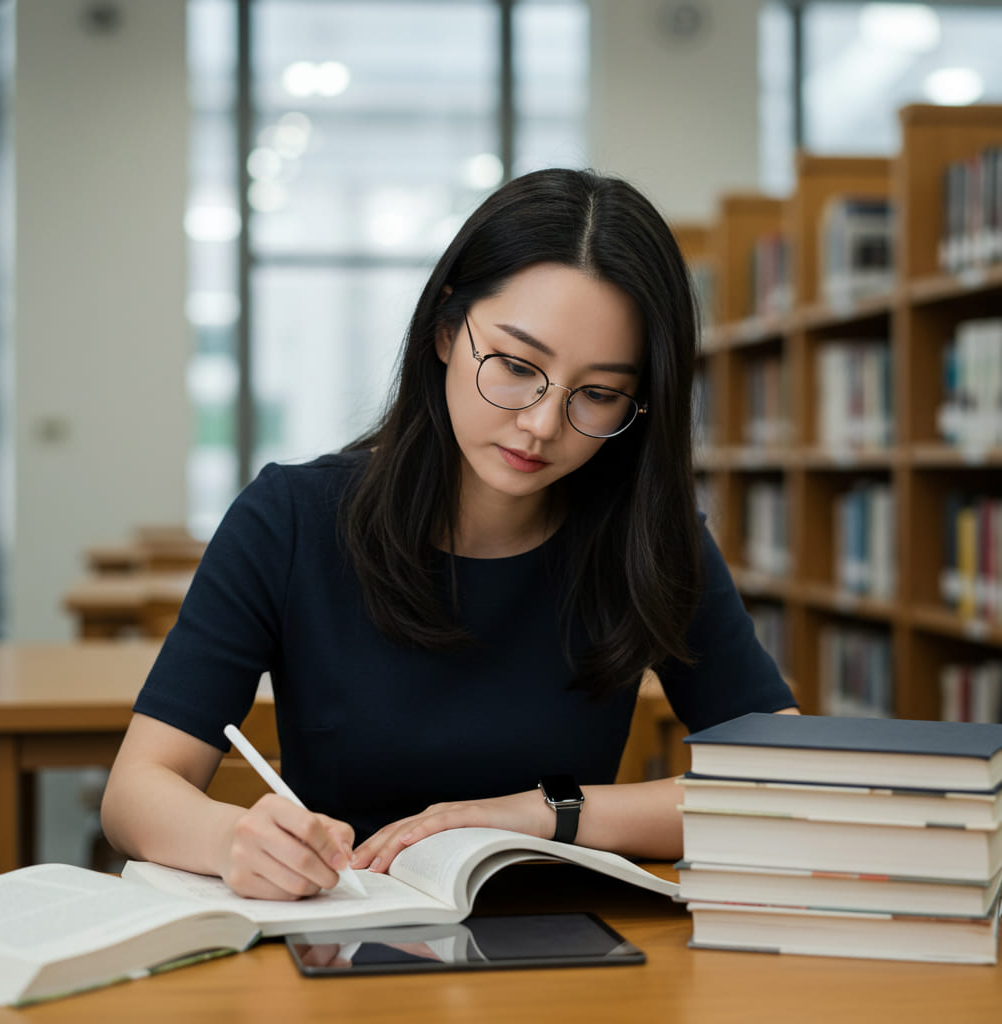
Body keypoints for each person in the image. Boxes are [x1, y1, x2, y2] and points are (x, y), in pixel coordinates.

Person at [101, 168, 797, 901]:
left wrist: (548, 815)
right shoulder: (292, 520)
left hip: (568, 952)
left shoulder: (650, 541)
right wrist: (228, 839)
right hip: (335, 936)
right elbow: (136, 790)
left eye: (597, 394)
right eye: (517, 366)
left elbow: (784, 783)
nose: (541, 422)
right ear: (444, 329)